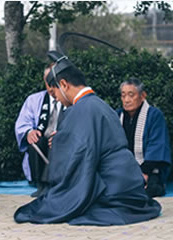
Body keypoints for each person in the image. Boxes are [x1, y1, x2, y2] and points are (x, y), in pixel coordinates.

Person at [14, 51, 161, 226]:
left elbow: (80, 156)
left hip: (112, 189)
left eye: (55, 94)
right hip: (130, 184)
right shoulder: (100, 104)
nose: (58, 100)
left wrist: (59, 142)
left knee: (47, 206)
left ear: (64, 84)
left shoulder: (80, 110)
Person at [117, 77, 171, 198]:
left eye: (131, 95)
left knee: (149, 190)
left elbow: (157, 145)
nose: (126, 100)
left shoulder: (154, 115)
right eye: (123, 95)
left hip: (149, 169)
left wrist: (143, 172)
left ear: (142, 96)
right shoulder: (118, 116)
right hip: (124, 170)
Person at [15, 67, 62, 197]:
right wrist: (29, 132)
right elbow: (22, 123)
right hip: (42, 143)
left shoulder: (69, 100)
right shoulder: (33, 100)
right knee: (36, 141)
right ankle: (41, 185)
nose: (52, 89)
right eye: (49, 84)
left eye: (55, 84)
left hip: (60, 142)